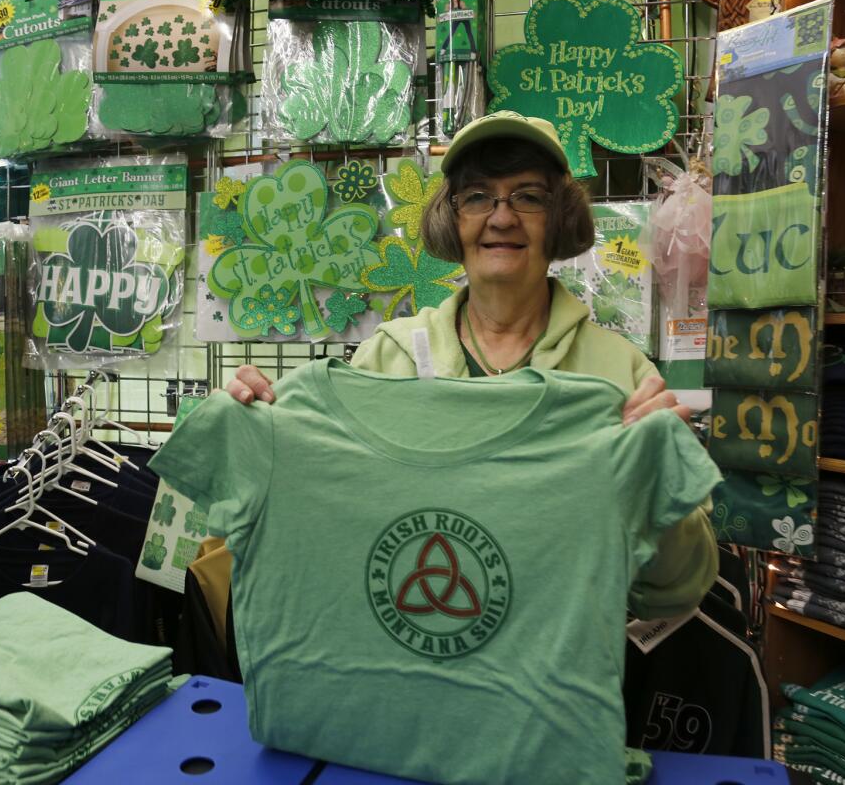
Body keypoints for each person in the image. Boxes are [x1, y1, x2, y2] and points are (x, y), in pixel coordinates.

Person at [225, 110, 717, 619]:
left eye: (529, 197)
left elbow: (673, 593)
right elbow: (315, 525)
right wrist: (261, 442)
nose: (501, 218)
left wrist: (664, 495)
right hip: (402, 660)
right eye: (478, 196)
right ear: (452, 216)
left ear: (560, 217)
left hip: (545, 677)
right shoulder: (386, 359)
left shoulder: (620, 376)